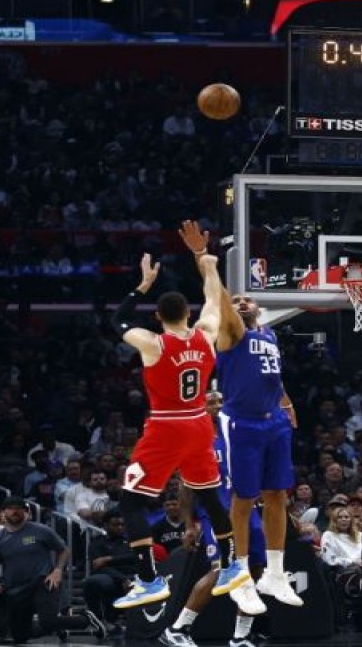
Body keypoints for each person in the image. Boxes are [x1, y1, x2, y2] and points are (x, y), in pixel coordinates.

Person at [111, 249, 246, 609]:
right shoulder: (205, 334)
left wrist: (142, 286)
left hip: (166, 427)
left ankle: (148, 579)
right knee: (210, 498)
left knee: (131, 502)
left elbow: (118, 320)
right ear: (189, 313)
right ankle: (233, 565)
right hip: (200, 423)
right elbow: (215, 300)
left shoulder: (152, 343)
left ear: (157, 317)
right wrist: (210, 266)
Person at [179, 221, 303, 608]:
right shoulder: (231, 334)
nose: (242, 302)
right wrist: (203, 257)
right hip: (242, 423)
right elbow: (218, 294)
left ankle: (276, 575)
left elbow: (274, 379)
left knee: (278, 495)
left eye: (248, 299)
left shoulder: (269, 335)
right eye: (237, 301)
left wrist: (287, 406)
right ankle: (241, 573)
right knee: (244, 498)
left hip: (274, 422)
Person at [161, 390, 272, 647]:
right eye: (210, 402)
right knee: (222, 569)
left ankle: (240, 637)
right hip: (217, 514)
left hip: (247, 513)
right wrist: (189, 524)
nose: (216, 405)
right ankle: (178, 628)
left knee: (253, 569)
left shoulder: (238, 436)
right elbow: (186, 486)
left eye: (220, 401)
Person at [0, 497, 102, 643]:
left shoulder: (40, 530)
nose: (14, 511)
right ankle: (59, 626)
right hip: (16, 589)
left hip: (43, 582)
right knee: (20, 636)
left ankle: (86, 620)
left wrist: (58, 570)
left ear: (25, 511)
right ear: (3, 512)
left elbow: (64, 550)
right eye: (10, 508)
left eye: (18, 508)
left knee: (48, 621)